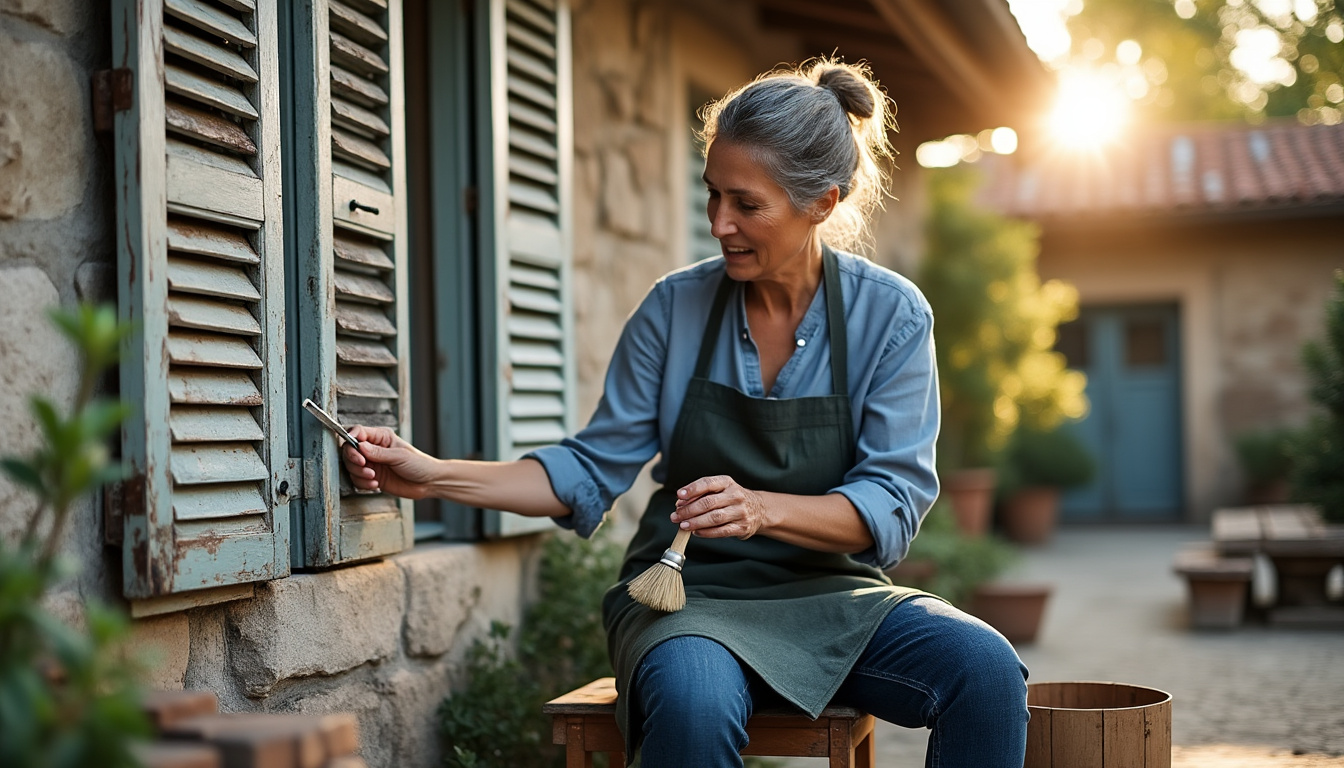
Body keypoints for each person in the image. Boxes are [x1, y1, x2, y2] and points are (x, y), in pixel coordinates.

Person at [341, 59, 1028, 768]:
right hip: (686, 599)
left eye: (746, 204)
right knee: (694, 709)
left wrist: (763, 508)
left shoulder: (891, 316)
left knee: (984, 670)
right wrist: (429, 477)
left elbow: (889, 505)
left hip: (833, 595)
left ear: (821, 202)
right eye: (712, 196)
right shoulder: (675, 308)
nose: (719, 224)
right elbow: (587, 467)